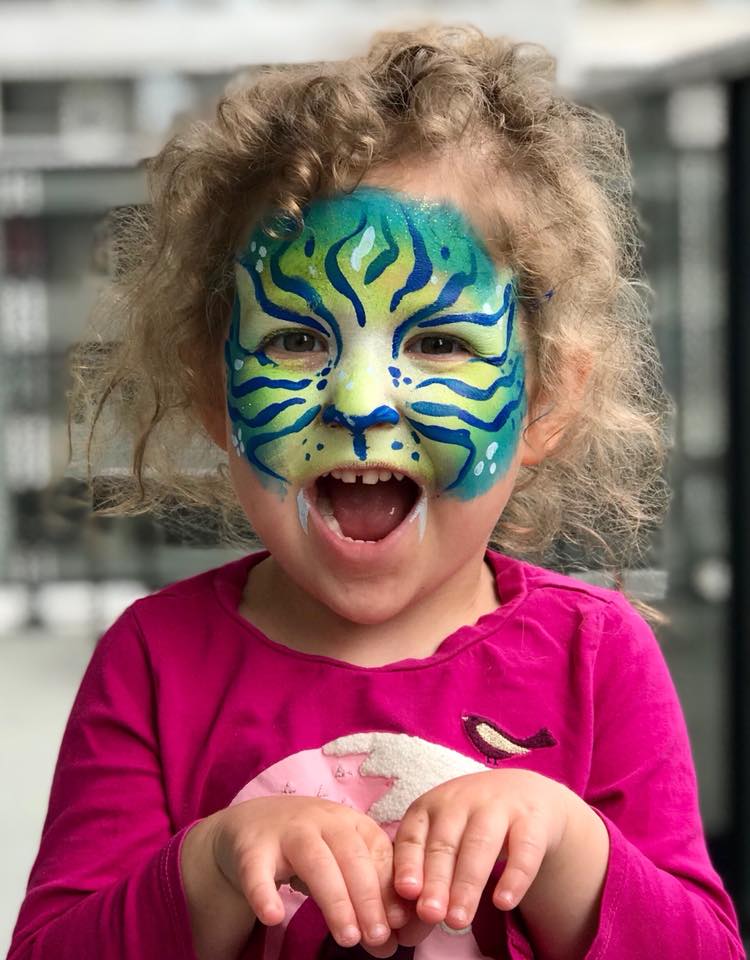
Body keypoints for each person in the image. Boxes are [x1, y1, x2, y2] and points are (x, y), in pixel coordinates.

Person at [7, 24, 745, 960]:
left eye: (439, 342)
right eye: (295, 340)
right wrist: (207, 871)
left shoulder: (595, 657)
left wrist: (571, 852)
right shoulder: (153, 664)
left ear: (547, 401)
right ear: (214, 392)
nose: (360, 402)